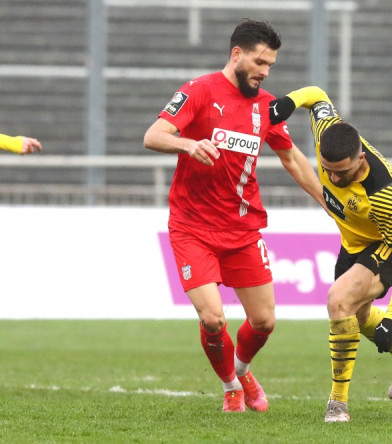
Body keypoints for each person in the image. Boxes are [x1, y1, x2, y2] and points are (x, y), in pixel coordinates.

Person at [143, 19, 324, 413]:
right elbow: (153, 135)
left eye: (270, 65)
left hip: (242, 229)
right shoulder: (199, 91)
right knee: (212, 318)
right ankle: (231, 387)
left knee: (264, 322)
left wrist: (329, 204)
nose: (265, 71)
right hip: (192, 228)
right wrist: (189, 145)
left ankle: (241, 371)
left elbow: (292, 158)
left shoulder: (266, 106)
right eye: (260, 62)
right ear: (237, 54)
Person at [269, 86, 392, 423]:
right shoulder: (328, 131)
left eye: (341, 173)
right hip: (353, 243)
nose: (332, 178)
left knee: (339, 301)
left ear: (360, 160)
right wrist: (289, 102)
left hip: (388, 244)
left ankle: (338, 403)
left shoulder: (382, 193)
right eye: (327, 170)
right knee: (354, 318)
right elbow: (317, 95)